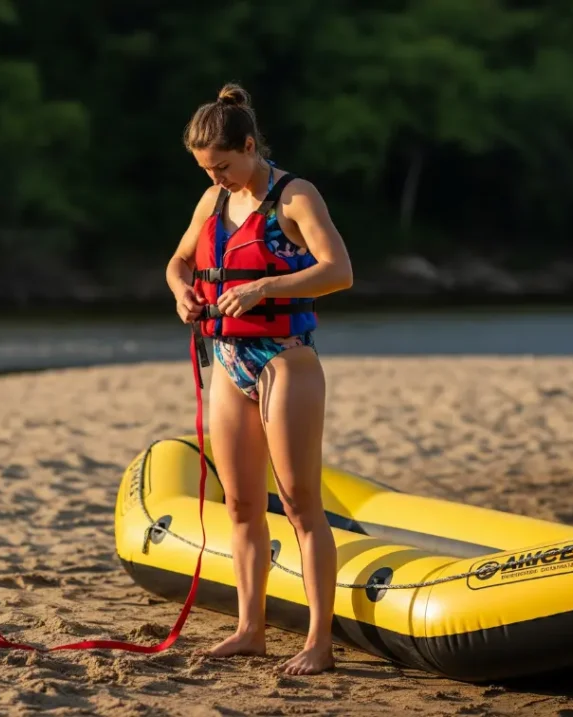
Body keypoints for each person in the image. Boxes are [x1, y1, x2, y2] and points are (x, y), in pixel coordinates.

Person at [164, 82, 354, 676]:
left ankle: (318, 643)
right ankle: (251, 630)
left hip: (285, 361)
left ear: (249, 146)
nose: (215, 177)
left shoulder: (294, 197)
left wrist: (265, 287)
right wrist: (182, 295)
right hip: (227, 363)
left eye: (222, 165)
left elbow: (339, 271)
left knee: (300, 506)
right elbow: (179, 262)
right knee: (242, 504)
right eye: (205, 169)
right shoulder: (212, 202)